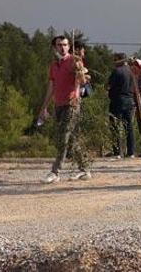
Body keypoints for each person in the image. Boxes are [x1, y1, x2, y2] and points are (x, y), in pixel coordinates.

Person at [39, 36, 91, 183]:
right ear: (54, 47)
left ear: (69, 46)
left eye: (65, 45)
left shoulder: (74, 61)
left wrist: (80, 72)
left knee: (64, 137)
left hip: (72, 104)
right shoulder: (54, 66)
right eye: (59, 45)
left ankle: (55, 172)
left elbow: (82, 81)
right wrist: (44, 108)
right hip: (58, 105)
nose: (62, 47)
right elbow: (51, 88)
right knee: (72, 140)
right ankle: (85, 169)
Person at [107, 53, 136, 158]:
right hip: (130, 100)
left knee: (115, 126)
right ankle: (131, 151)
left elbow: (109, 85)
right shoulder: (131, 71)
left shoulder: (117, 71)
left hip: (117, 100)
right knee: (129, 127)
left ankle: (118, 151)